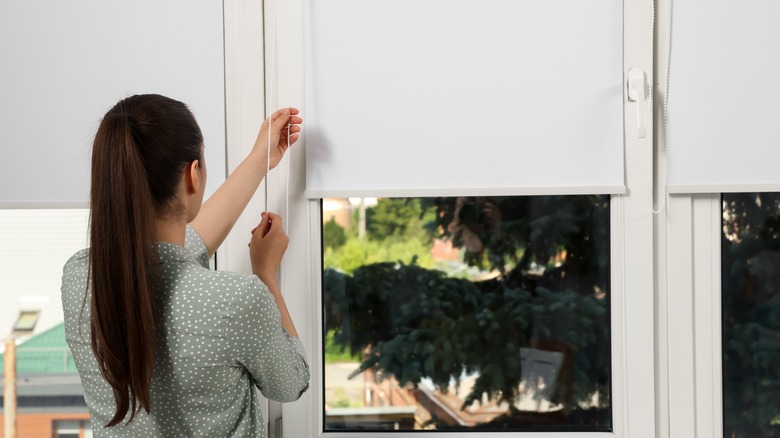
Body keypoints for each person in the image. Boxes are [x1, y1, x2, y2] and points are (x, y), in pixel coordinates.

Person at [60, 94, 309, 437]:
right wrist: (266, 274)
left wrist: (260, 159)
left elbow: (179, 246)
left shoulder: (81, 279)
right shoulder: (236, 300)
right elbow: (291, 383)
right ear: (194, 175)